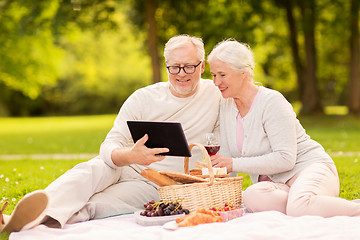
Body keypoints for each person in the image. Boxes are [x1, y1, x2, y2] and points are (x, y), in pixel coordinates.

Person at [0, 34, 221, 233]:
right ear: (166, 67)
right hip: (124, 165)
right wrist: (130, 156)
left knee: (97, 204)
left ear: (202, 67)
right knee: (89, 171)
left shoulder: (216, 94)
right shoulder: (143, 97)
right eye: (175, 67)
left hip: (155, 185)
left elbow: (246, 88)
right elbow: (109, 145)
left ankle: (31, 224)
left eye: (189, 67)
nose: (181, 74)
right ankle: (20, 216)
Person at [207, 39, 360, 217]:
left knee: (299, 206)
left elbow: (285, 158)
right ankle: (305, 205)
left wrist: (233, 163)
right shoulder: (225, 106)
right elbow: (226, 158)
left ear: (243, 72)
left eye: (222, 75)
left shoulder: (271, 101)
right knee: (251, 196)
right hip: (278, 186)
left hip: (310, 169)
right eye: (213, 75)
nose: (216, 82)